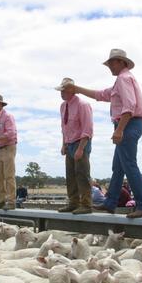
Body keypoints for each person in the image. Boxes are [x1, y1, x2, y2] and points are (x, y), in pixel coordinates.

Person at [62, 49, 142, 218]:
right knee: (118, 167)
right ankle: (110, 202)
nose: (110, 66)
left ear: (121, 62)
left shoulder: (123, 79)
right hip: (129, 125)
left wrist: (119, 130)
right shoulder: (122, 80)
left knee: (129, 165)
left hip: (128, 125)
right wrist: (77, 89)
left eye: (112, 63)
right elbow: (102, 95)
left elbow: (129, 106)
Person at [55, 77, 94, 214]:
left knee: (82, 174)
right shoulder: (63, 106)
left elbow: (87, 128)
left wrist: (81, 148)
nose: (61, 93)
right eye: (61, 90)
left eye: (64, 90)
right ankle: (73, 202)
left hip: (80, 142)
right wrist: (64, 144)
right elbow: (64, 127)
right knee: (70, 175)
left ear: (72, 91)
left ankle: (86, 204)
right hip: (70, 143)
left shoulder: (83, 105)